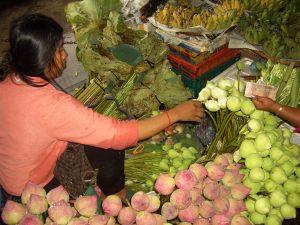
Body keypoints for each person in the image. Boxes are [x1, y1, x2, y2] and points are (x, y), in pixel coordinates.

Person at [0, 14, 205, 198]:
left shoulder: (9, 81)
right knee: (111, 148)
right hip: (33, 187)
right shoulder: (52, 105)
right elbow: (120, 134)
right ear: (42, 58)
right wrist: (174, 114)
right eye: (60, 50)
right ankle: (114, 197)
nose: (65, 55)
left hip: (10, 175)